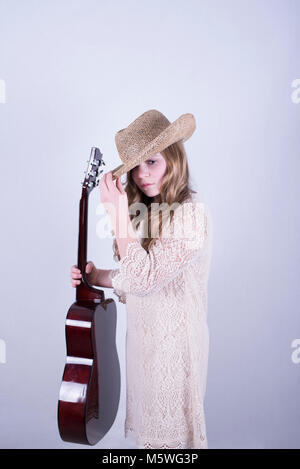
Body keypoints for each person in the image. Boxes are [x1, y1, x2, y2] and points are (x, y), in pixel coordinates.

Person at [70, 109, 213, 449]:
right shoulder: (149, 212)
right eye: (135, 167)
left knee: (168, 447)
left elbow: (146, 279)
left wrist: (117, 212)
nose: (141, 175)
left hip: (174, 355)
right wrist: (98, 276)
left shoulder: (191, 214)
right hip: (144, 350)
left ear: (174, 159)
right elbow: (140, 278)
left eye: (151, 161)